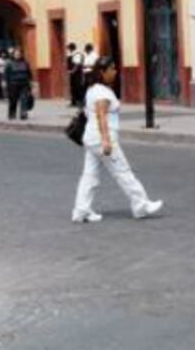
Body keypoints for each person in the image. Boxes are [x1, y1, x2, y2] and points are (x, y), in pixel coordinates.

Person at [72, 56, 163, 223]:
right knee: (123, 172)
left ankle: (81, 210)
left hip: (91, 138)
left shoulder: (92, 89)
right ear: (102, 72)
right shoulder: (102, 92)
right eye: (111, 69)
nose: (115, 72)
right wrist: (106, 140)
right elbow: (101, 116)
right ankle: (140, 205)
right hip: (102, 139)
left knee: (90, 175)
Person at [5, 48, 33, 121]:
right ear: (13, 55)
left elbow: (29, 74)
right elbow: (6, 75)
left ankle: (23, 113)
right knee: (13, 100)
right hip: (13, 84)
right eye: (16, 54)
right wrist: (5, 84)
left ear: (21, 54)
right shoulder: (9, 63)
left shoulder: (25, 63)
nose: (18, 55)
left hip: (24, 84)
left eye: (19, 54)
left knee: (24, 99)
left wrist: (30, 84)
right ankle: (12, 114)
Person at [66, 43, 85, 107]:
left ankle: (80, 102)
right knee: (73, 87)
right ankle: (74, 101)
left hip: (77, 74)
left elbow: (77, 64)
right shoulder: (72, 54)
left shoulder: (77, 54)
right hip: (73, 74)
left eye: (69, 48)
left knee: (78, 87)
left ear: (71, 48)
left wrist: (73, 71)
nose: (68, 50)